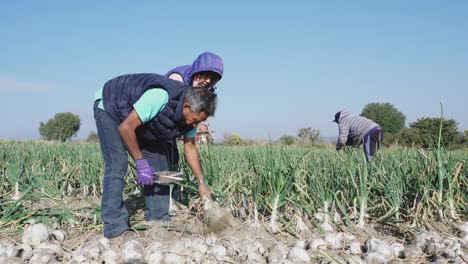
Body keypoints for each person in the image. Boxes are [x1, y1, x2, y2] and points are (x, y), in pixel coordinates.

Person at [93, 73, 217, 239]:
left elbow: (190, 147)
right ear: (186, 107)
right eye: (194, 121)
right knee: (117, 164)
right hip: (112, 106)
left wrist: (201, 182)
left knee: (159, 162)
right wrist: (140, 161)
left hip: (139, 117)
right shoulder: (160, 97)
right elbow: (126, 128)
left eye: (198, 122)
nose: (195, 125)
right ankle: (115, 228)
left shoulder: (191, 115)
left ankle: (158, 219)